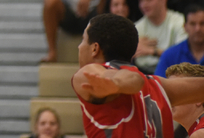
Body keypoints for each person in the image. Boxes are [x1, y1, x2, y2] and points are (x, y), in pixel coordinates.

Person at [72, 13, 204, 137]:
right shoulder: (158, 86)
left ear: (95, 48)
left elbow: (135, 80)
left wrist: (115, 84)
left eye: (83, 39)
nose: (79, 46)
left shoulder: (89, 75)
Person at [133, 0, 187, 74]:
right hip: (142, 73)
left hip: (173, 74)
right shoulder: (137, 27)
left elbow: (182, 56)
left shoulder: (179, 21)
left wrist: (152, 51)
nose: (144, 4)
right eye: (141, 0)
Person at [155, 5, 204, 76]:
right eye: (193, 24)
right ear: (185, 27)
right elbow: (159, 84)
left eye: (202, 23)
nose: (198, 29)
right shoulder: (170, 55)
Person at [166, 63, 204, 138]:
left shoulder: (199, 134)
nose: (168, 98)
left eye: (175, 92)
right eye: (167, 92)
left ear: (198, 98)